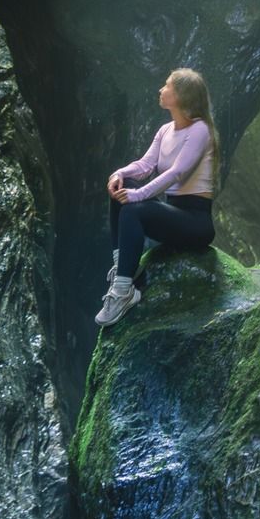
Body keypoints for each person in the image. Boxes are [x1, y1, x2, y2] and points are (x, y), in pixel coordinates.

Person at [96, 67, 218, 327]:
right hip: (173, 213)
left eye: (167, 86)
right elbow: (145, 165)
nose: (161, 90)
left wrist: (139, 194)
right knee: (122, 189)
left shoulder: (200, 130)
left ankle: (123, 292)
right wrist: (118, 173)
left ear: (181, 96)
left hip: (196, 221)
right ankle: (122, 269)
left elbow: (178, 172)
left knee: (133, 206)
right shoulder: (165, 130)